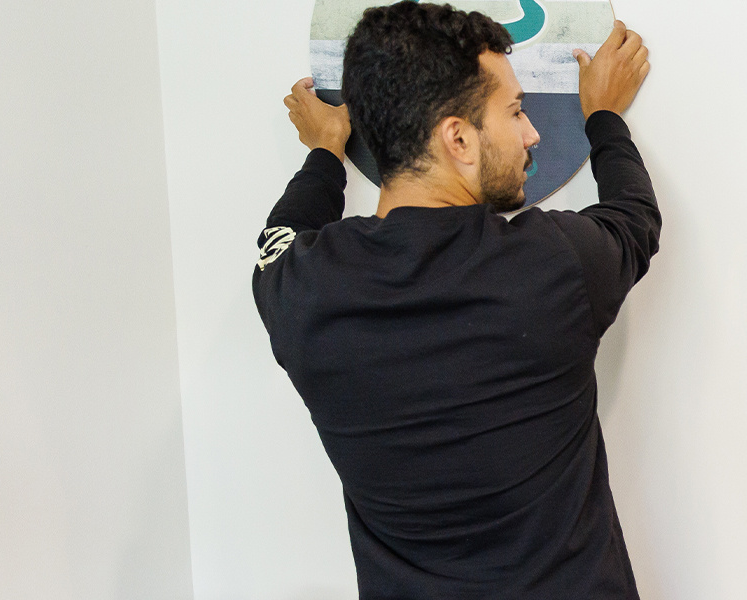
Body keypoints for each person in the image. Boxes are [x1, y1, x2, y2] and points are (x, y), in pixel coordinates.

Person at [253, 2, 654, 597]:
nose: (532, 133)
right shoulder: (555, 264)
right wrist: (603, 117)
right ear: (459, 139)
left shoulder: (300, 291)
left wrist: (324, 151)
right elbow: (634, 217)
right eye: (516, 111)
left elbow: (278, 235)